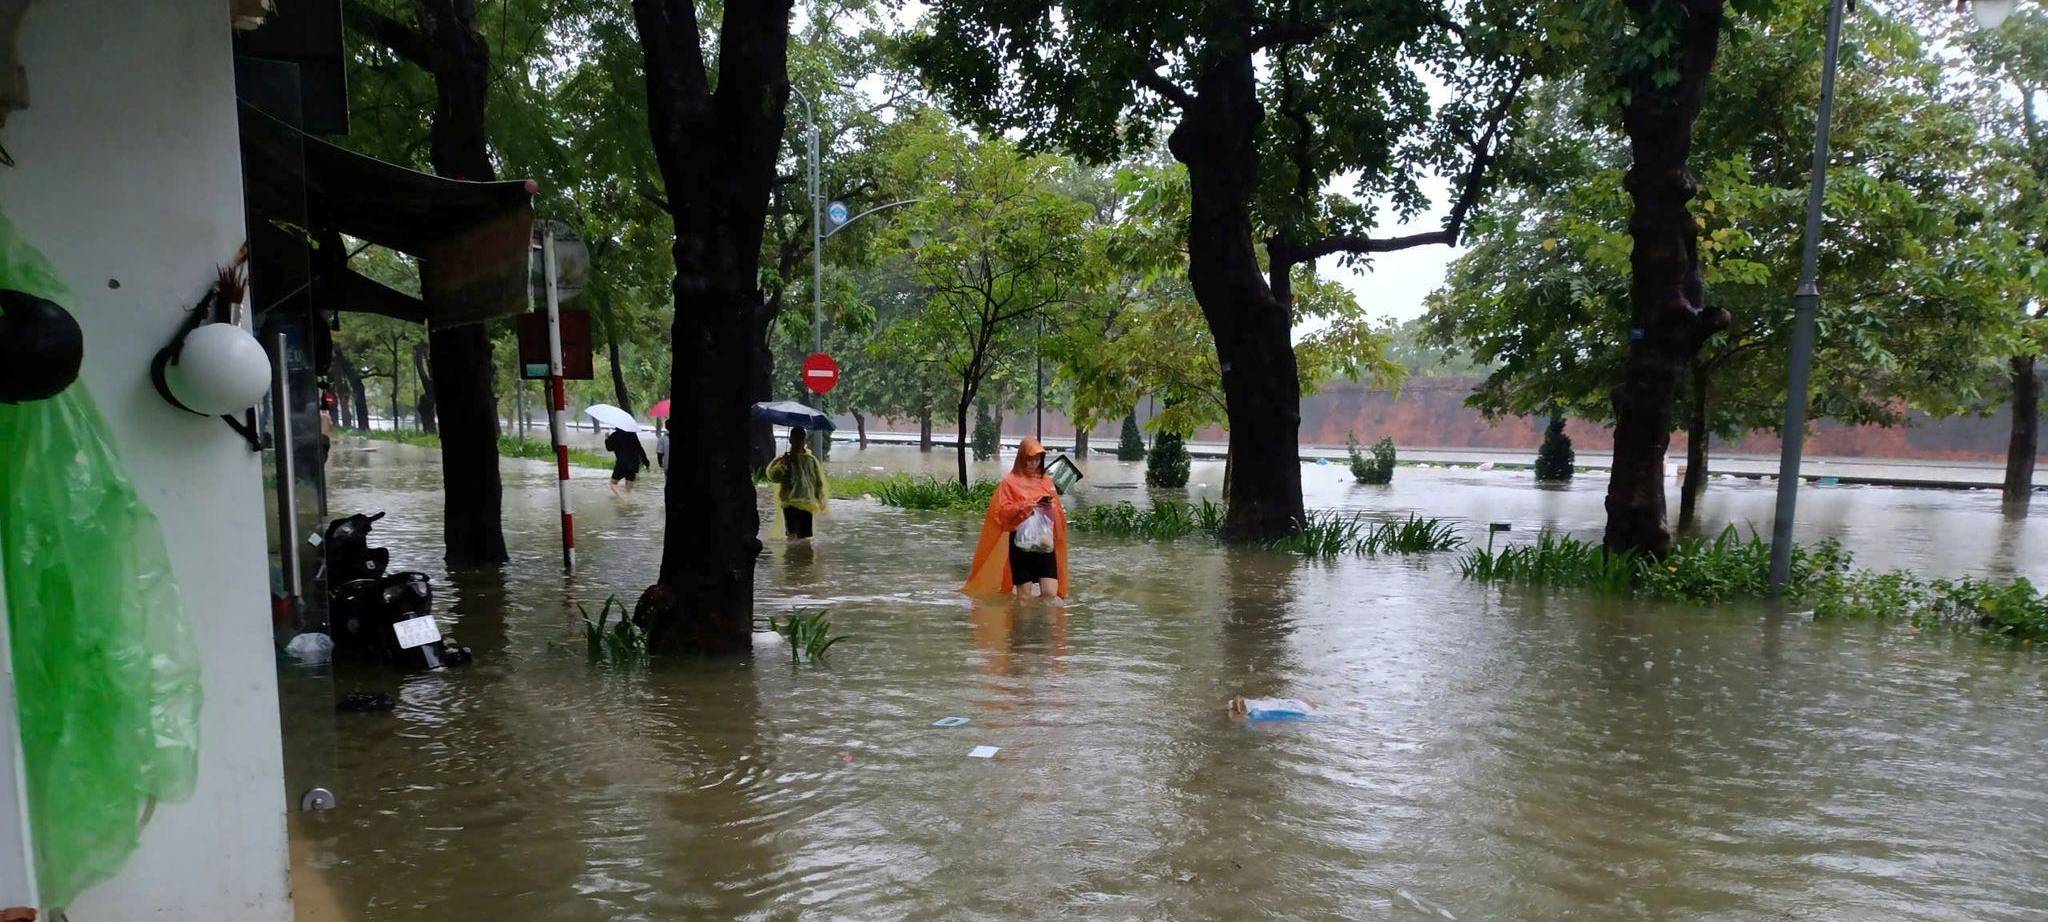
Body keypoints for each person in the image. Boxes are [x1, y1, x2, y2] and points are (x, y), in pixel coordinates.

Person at [963, 437, 1069, 604]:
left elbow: (1057, 511)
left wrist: (1051, 506)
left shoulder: (1046, 481)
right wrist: (1026, 506)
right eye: (1030, 459)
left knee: (1050, 594)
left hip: (1045, 543)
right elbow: (1001, 513)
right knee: (1024, 596)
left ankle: (1043, 628)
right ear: (1021, 458)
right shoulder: (1009, 482)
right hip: (1021, 544)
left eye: (1037, 459)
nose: (1034, 463)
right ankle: (1021, 628)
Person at [765, 426, 828, 540]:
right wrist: (783, 465)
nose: (799, 442)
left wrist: (820, 498)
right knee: (792, 535)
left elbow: (817, 482)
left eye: (802, 439)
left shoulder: (810, 460)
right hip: (790, 502)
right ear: (790, 440)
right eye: (796, 439)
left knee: (805, 538)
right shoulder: (783, 459)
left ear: (805, 441)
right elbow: (773, 477)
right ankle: (791, 556)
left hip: (807, 502)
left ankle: (801, 557)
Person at [604, 427, 648, 496]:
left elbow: (609, 448)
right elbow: (640, 449)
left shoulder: (615, 435)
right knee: (629, 489)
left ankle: (623, 498)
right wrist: (646, 463)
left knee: (613, 484)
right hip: (634, 464)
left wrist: (607, 438)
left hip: (622, 464)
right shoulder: (633, 434)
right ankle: (630, 503)